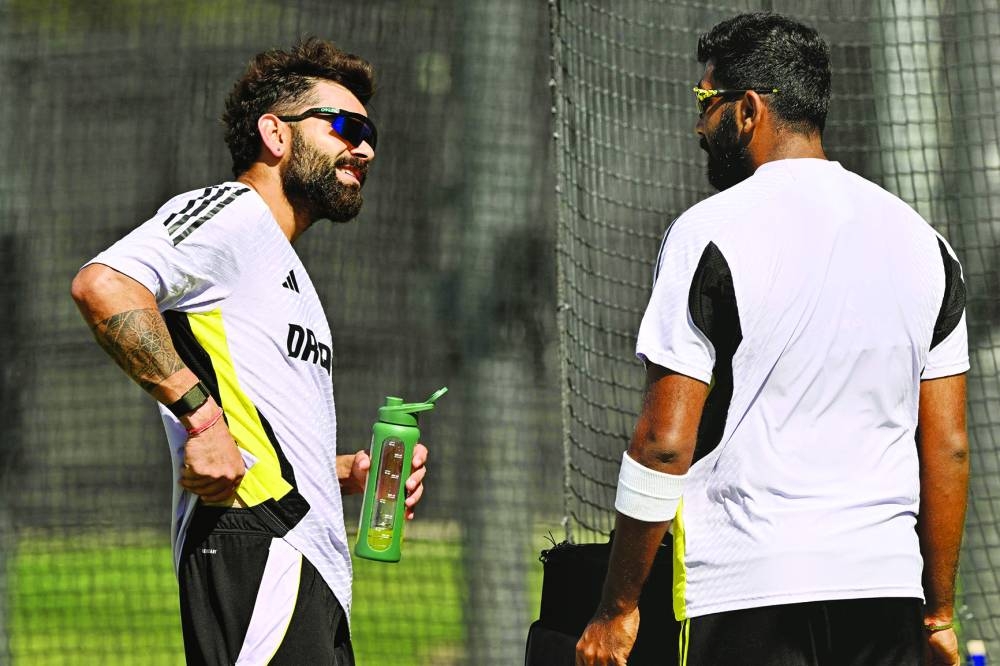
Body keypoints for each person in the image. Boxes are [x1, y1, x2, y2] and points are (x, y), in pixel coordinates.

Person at [576, 12, 968, 666]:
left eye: (707, 103)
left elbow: (664, 442)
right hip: (886, 599)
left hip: (750, 595)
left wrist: (617, 608)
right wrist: (939, 613)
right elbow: (948, 448)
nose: (699, 125)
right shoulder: (927, 246)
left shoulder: (707, 232)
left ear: (749, 110)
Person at [70, 38, 427, 665]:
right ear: (276, 133)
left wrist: (342, 473)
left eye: (370, 134)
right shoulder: (233, 214)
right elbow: (103, 285)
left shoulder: (284, 265)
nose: (365, 147)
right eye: (346, 126)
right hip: (260, 541)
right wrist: (202, 421)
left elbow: (262, 424)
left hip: (303, 558)